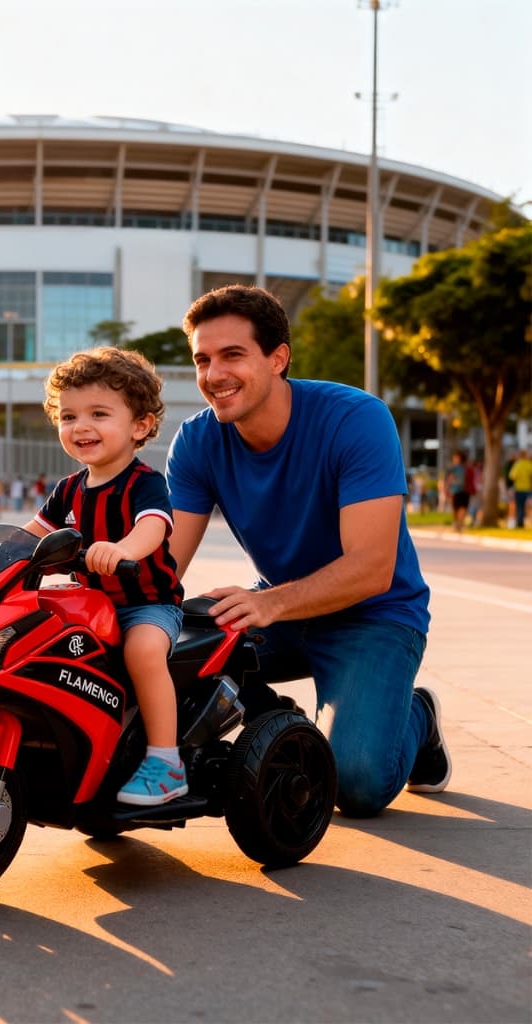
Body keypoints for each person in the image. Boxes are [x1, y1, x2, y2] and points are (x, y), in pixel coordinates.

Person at [166, 284, 448, 818]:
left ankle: (416, 715)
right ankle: (281, 726)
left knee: (357, 785)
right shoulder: (198, 440)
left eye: (233, 355)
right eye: (202, 359)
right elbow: (165, 565)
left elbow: (371, 569)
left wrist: (268, 605)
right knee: (162, 653)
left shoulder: (356, 419)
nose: (213, 375)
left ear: (278, 358)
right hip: (281, 608)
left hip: (375, 614)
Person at [22, 346, 187, 806]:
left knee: (144, 651)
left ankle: (165, 762)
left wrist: (122, 549)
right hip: (91, 609)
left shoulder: (144, 483)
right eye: (69, 415)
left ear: (141, 426)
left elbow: (153, 526)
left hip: (146, 606)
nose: (81, 427)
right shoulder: (68, 489)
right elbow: (31, 535)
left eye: (98, 413)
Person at [508, 449, 532, 529]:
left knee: (520, 507)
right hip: (528, 488)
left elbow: (512, 476)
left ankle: (520, 523)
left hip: (519, 489)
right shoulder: (529, 464)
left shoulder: (517, 464)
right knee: (529, 506)